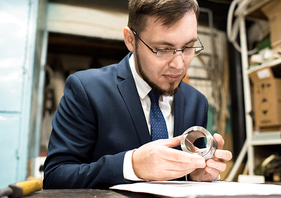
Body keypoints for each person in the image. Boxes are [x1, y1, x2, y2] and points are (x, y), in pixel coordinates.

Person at [43, 0, 232, 189]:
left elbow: (184, 180)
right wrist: (131, 165)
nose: (179, 65)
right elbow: (55, 177)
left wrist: (195, 174)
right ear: (130, 40)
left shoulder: (196, 102)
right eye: (163, 49)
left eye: (189, 47)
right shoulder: (87, 90)